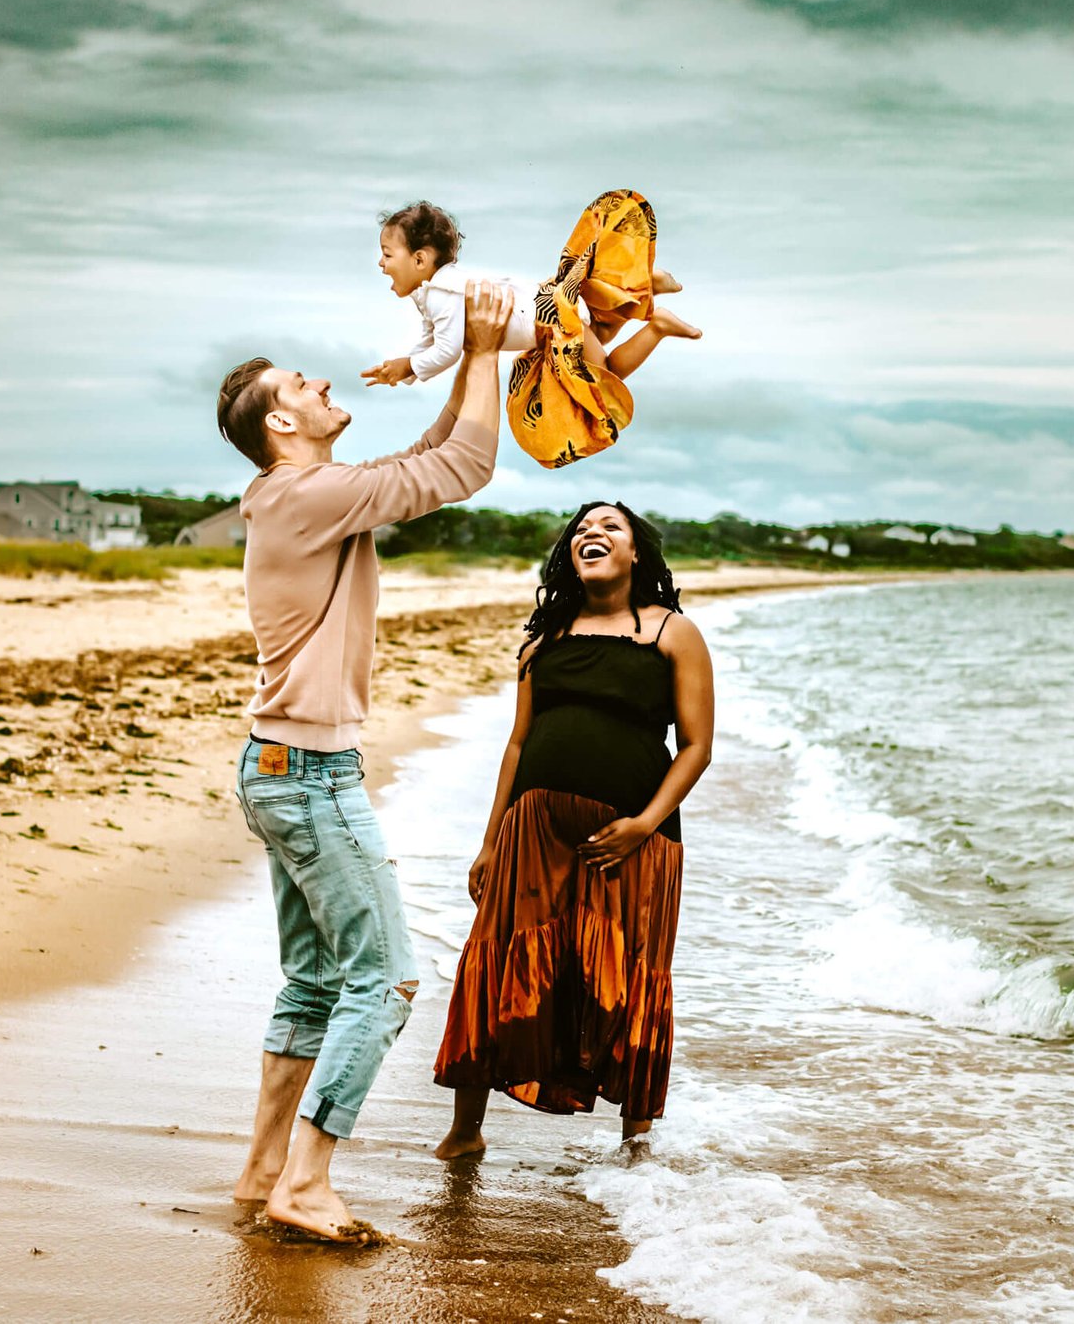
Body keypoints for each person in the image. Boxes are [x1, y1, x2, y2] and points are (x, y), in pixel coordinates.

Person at [215, 281, 515, 1240]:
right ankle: (305, 1181)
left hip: (278, 768)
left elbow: (429, 456)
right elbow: (466, 464)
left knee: (312, 983)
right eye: (302, 380)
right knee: (384, 979)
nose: (324, 380)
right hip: (306, 776)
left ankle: (264, 1168)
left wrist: (474, 357)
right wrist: (482, 349)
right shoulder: (306, 494)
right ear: (282, 420)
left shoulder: (297, 496)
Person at [432, 502, 715, 1156]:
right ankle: (465, 1131)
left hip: (634, 840)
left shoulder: (674, 633)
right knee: (498, 960)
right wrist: (489, 838)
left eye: (610, 526)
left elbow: (697, 745)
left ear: (637, 552)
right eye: (583, 528)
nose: (593, 532)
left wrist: (642, 824)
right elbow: (517, 743)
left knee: (627, 971)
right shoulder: (542, 640)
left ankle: (635, 1141)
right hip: (532, 832)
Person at [361, 195, 702, 469]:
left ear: (420, 260)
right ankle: (643, 288)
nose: (381, 263)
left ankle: (658, 325)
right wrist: (406, 364)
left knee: (605, 374)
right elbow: (431, 336)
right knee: (599, 331)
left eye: (387, 255)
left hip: (549, 322)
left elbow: (447, 349)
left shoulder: (442, 296)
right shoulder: (439, 289)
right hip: (546, 307)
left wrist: (409, 367)